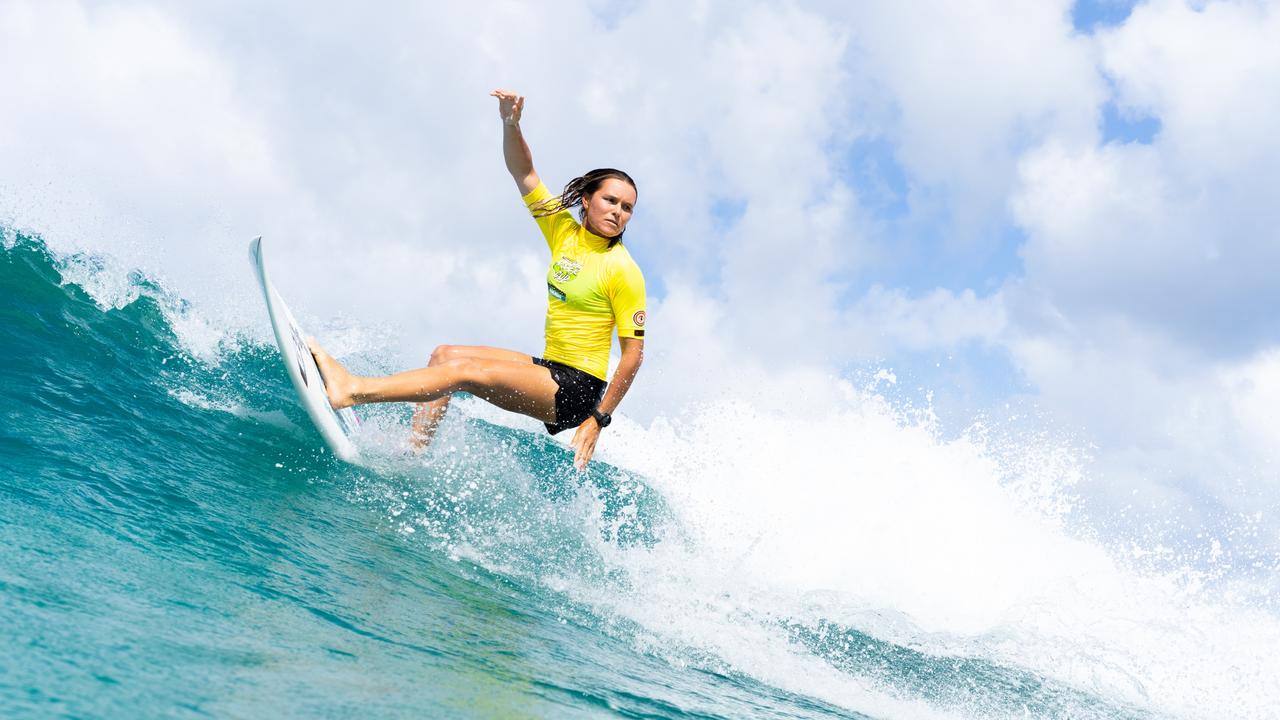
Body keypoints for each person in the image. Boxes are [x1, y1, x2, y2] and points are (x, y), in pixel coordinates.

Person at [308, 89, 646, 471]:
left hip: (577, 390)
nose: (618, 212)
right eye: (611, 201)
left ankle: (353, 389)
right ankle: (413, 454)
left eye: (627, 207)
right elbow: (524, 172)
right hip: (551, 366)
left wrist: (598, 419)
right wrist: (510, 123)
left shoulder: (623, 269)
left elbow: (633, 357)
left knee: (464, 374)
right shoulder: (564, 232)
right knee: (445, 355)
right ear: (586, 200)